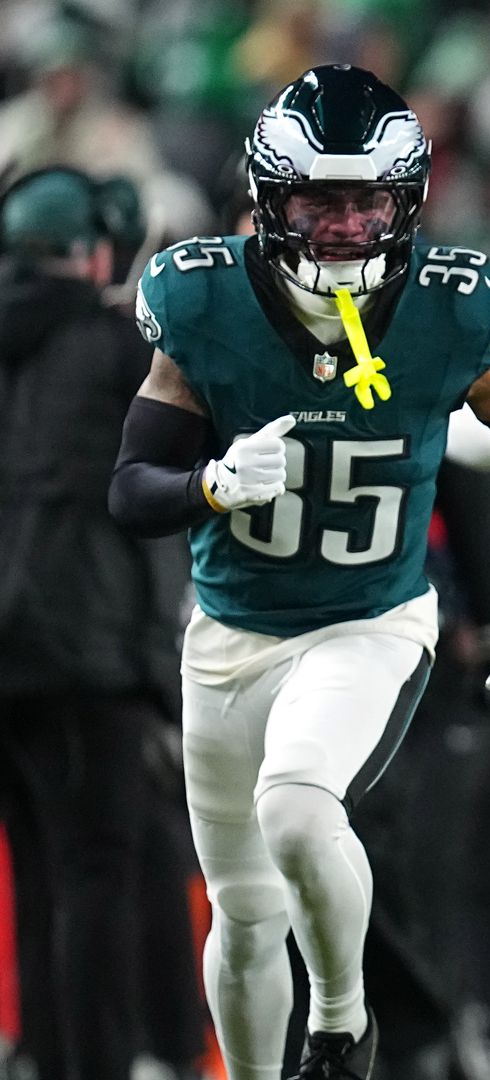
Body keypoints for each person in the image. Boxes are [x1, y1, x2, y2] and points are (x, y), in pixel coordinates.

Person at [107, 65, 490, 1080]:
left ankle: (341, 1023)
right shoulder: (201, 299)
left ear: (405, 200)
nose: (342, 226)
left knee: (297, 803)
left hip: (369, 622)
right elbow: (131, 489)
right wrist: (209, 484)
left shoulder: (452, 308)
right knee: (243, 913)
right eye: (316, 201)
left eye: (366, 199)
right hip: (231, 635)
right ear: (266, 198)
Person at [0, 166, 190, 1080]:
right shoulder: (115, 348)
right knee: (94, 881)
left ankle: (42, 1056)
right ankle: (101, 1064)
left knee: (38, 879)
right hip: (87, 655)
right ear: (96, 249)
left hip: (16, 657)